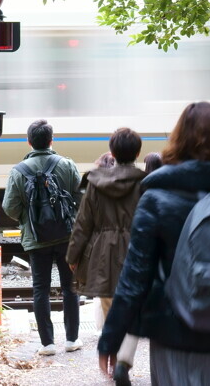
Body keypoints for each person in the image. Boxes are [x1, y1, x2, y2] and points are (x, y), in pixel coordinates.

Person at [98, 101, 210, 385]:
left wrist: (111, 338)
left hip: (174, 334)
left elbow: (135, 275)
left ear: (177, 140)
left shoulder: (157, 197)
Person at [2, 119, 83, 356]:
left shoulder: (18, 171)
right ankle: (72, 340)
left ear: (29, 142)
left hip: (36, 240)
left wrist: (27, 218)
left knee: (40, 289)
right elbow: (80, 198)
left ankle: (47, 344)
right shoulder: (67, 165)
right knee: (70, 287)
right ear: (51, 140)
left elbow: (9, 207)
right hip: (67, 237)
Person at [67, 128, 146, 320]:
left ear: (112, 153)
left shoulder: (96, 183)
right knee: (133, 306)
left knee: (109, 308)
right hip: (137, 252)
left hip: (104, 254)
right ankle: (126, 347)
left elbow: (83, 223)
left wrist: (72, 256)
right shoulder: (145, 183)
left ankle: (113, 347)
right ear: (137, 153)